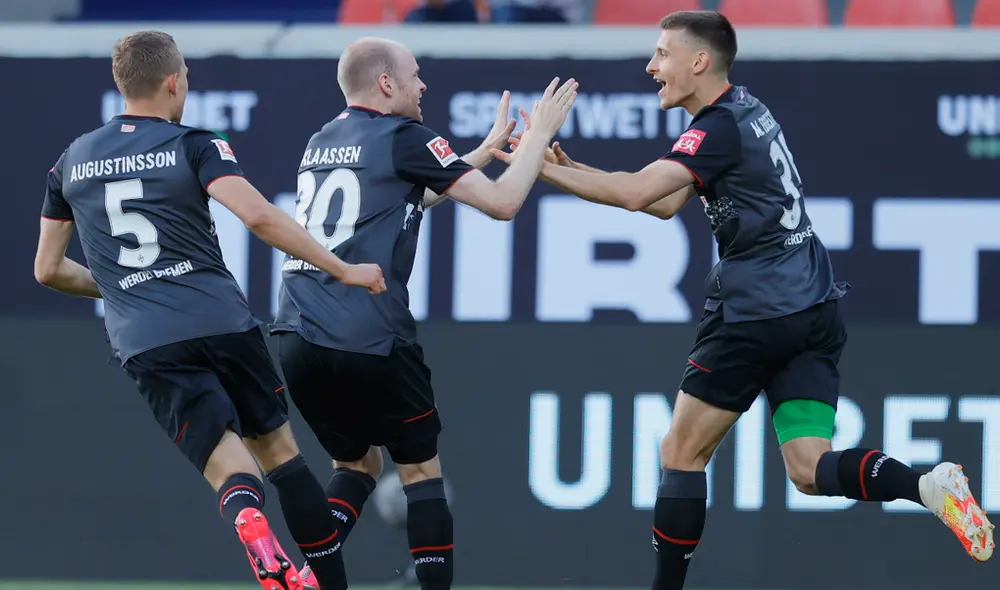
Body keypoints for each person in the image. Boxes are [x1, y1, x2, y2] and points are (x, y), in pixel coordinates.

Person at [498, 10, 995, 590]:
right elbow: (662, 204)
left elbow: (637, 196)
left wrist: (533, 155)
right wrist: (567, 169)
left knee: (681, 452)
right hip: (813, 306)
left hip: (758, 312)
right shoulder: (746, 111)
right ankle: (927, 487)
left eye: (662, 53)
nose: (652, 65)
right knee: (809, 470)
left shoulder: (716, 129)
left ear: (698, 61)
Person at [33, 30, 386, 590]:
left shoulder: (70, 162)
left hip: (145, 339)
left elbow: (47, 269)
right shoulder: (196, 143)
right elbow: (260, 217)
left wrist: (127, 288)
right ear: (173, 82)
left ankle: (249, 520)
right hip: (220, 321)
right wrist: (341, 269)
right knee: (283, 460)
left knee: (231, 474)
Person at [269, 36, 576, 590]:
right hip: (369, 333)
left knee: (357, 467)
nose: (422, 84)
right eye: (413, 74)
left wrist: (478, 155)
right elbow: (503, 205)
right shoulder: (406, 136)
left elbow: (392, 203)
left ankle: (308, 575)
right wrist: (538, 138)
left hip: (297, 335)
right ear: (386, 83)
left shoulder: (322, 139)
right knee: (420, 474)